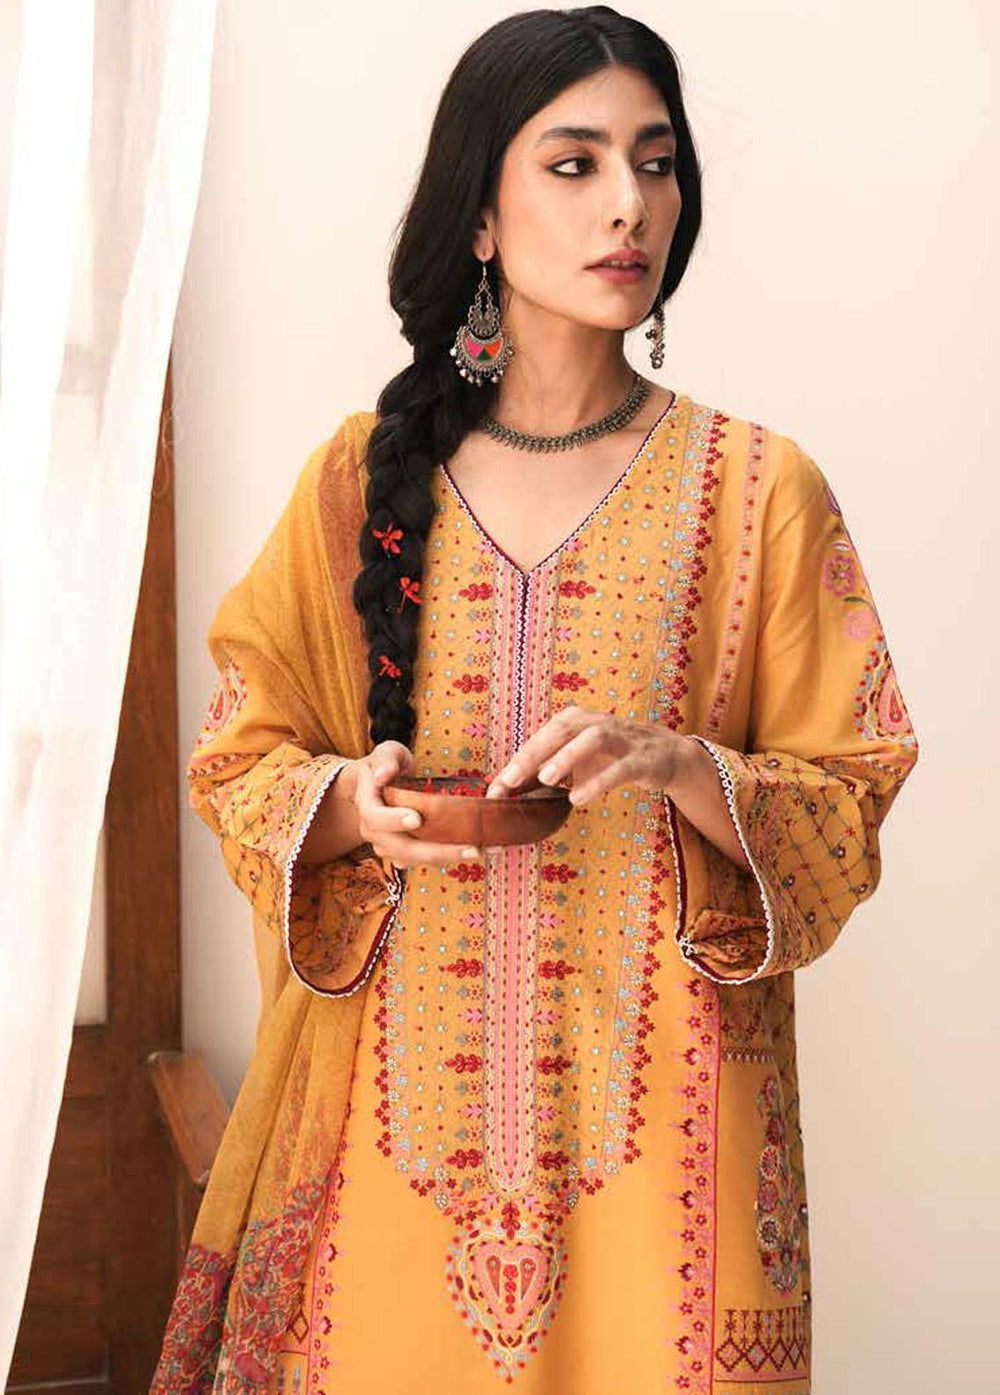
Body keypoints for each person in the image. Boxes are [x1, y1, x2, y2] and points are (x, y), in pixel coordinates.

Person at [149, 7, 919, 1392]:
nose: (631, 204)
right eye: (575, 164)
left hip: (672, 1168)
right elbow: (236, 753)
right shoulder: (356, 486)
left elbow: (851, 796)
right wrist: (351, 808)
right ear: (481, 218)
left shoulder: (759, 491)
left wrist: (683, 763)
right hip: (385, 1156)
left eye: (655, 162)